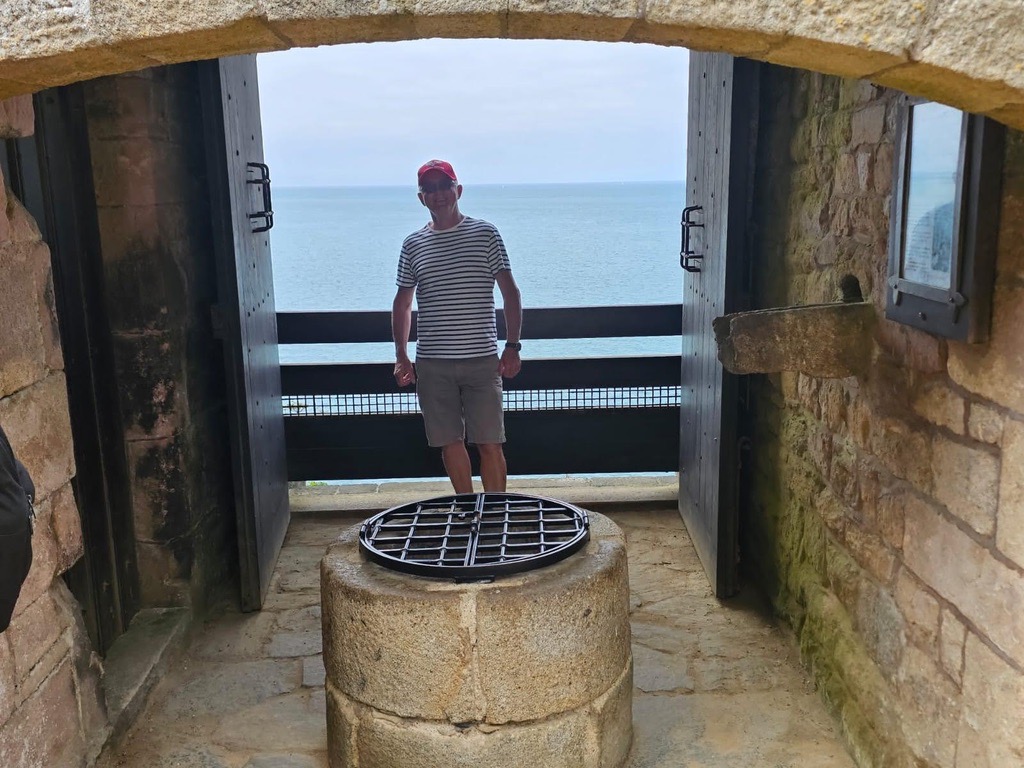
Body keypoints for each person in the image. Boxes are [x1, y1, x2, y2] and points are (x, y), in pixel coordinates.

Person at [392, 159, 523, 494]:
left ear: (458, 190)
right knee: (449, 442)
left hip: (482, 360)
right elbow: (403, 303)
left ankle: (494, 513)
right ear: (421, 197)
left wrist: (512, 346)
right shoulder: (412, 244)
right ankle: (466, 509)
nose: (438, 194)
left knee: (490, 443)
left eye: (444, 186)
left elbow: (510, 292)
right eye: (429, 188)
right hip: (432, 364)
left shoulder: (485, 234)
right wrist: (402, 356)